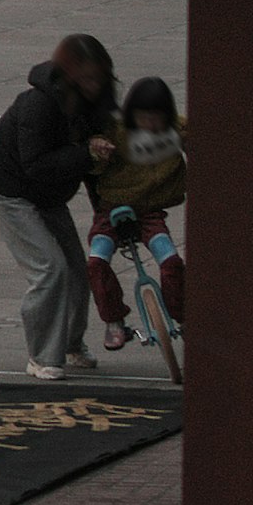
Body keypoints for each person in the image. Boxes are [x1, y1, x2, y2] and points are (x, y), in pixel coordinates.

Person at [0, 32, 120, 379]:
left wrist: (106, 209)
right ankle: (42, 356)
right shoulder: (39, 104)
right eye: (86, 78)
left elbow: (94, 168)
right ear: (69, 75)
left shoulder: (96, 106)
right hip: (11, 190)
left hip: (50, 194)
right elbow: (36, 164)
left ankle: (71, 345)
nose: (94, 85)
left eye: (99, 77)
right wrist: (85, 152)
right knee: (49, 267)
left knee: (77, 268)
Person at [84, 75, 188, 351]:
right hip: (111, 211)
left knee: (171, 261)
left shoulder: (175, 130)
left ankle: (183, 314)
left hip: (150, 213)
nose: (150, 125)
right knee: (96, 261)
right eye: (144, 117)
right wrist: (97, 152)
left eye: (157, 117)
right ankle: (114, 320)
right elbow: (92, 164)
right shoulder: (115, 132)